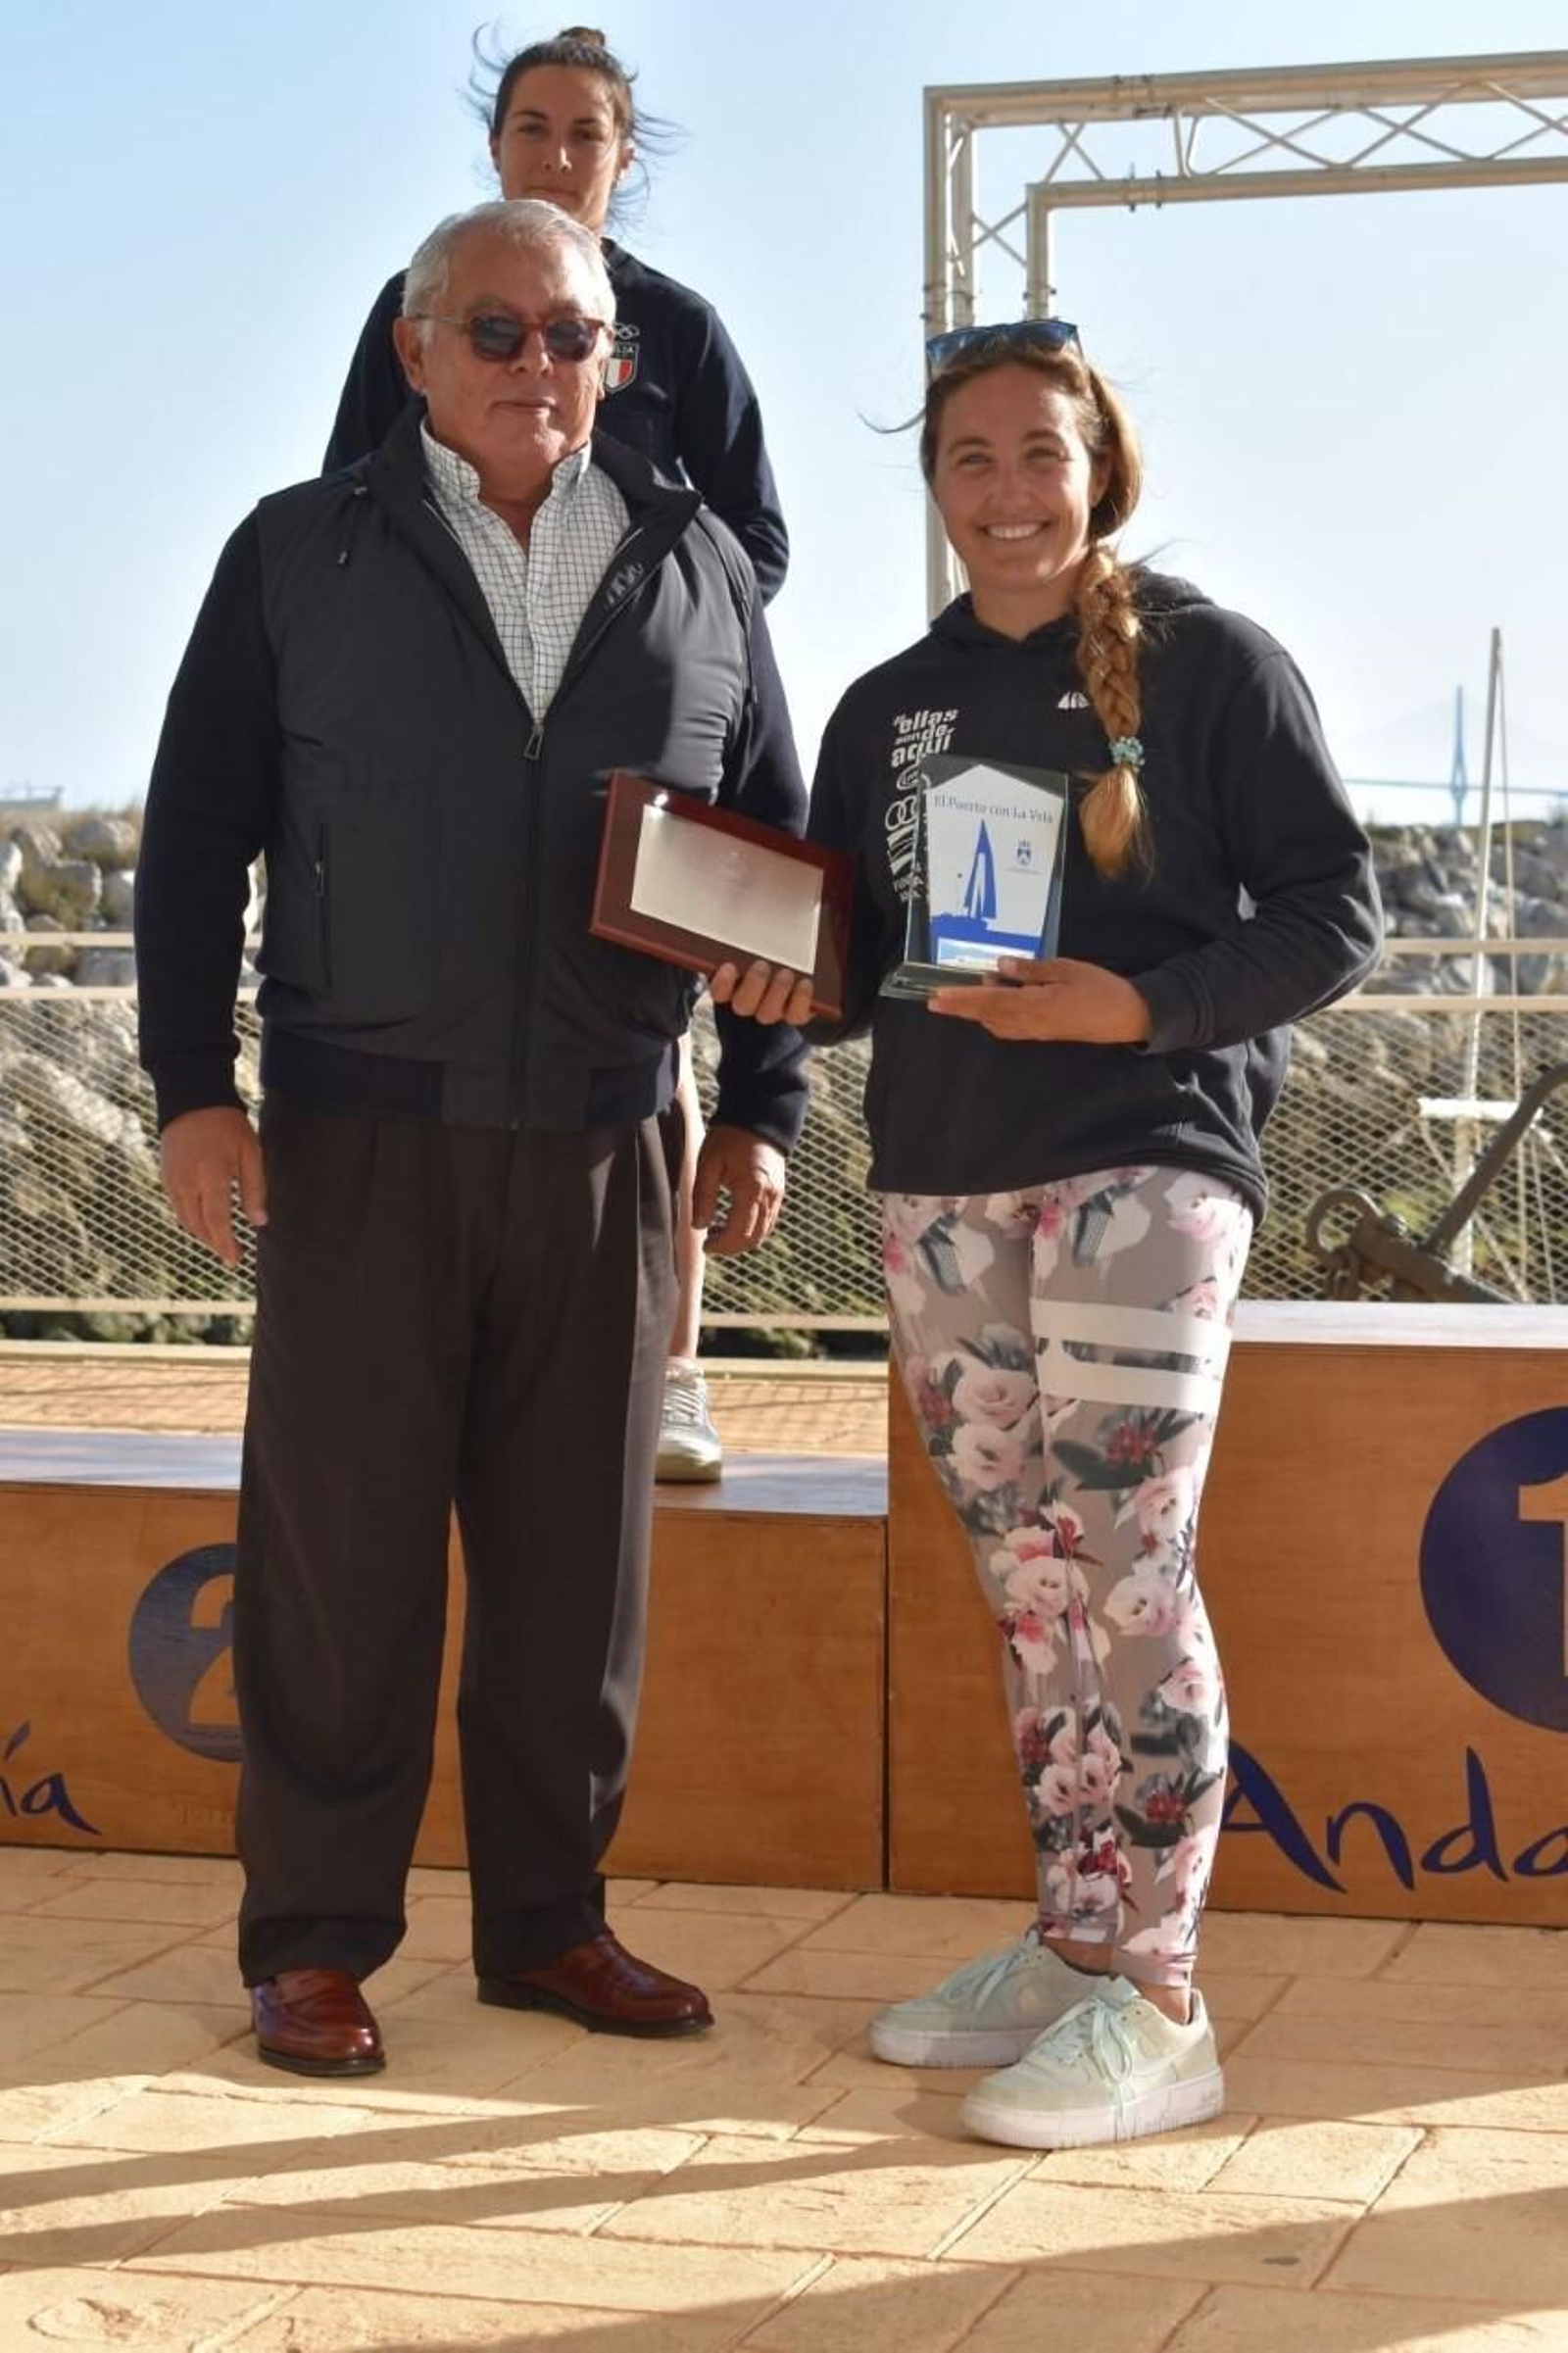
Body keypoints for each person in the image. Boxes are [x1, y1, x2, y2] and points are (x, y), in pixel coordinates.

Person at [135, 197, 809, 2078]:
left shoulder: (701, 570)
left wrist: (763, 1104)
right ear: (417, 350)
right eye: (496, 332)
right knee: (338, 1564)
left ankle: (550, 1922)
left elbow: (774, 856)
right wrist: (193, 1089)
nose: (538, 366)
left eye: (572, 337)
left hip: (610, 1142)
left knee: (576, 1572)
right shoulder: (294, 554)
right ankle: (313, 1940)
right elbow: (191, 841)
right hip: (360, 1140)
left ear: (615, 361)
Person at [714, 319, 1383, 2149]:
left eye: (1039, 454)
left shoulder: (1212, 663)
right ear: (933, 487)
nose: (1006, 491)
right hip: (940, 1180)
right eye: (970, 459)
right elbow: (856, 964)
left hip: (1142, 1163)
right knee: (1028, 1577)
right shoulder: (883, 708)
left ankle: (1163, 2003)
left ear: (1100, 471)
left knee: (1128, 1561)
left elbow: (1338, 911)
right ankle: (1078, 1940)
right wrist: (763, 968)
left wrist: (1142, 1008)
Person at [326, 25, 791, 1485]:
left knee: (656, 1050)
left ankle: (673, 1370)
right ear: (495, 145)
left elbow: (756, 544)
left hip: (631, 755)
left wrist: (629, 612)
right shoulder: (413, 305)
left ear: (623, 160)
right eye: (533, 127)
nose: (558, 152)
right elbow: (349, 510)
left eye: (586, 132)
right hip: (461, 754)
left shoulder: (684, 332)